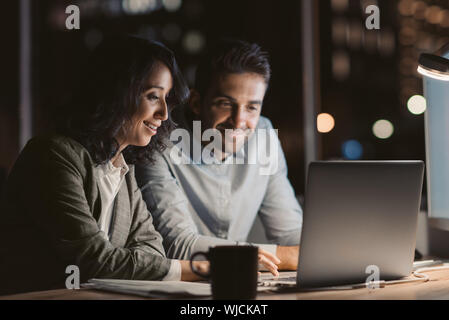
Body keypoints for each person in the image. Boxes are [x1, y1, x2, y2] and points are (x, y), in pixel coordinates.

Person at [0, 36, 208, 295]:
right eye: (153, 96)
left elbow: (152, 248)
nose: (164, 114)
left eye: (167, 98)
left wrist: (121, 263)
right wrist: (200, 268)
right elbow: (94, 259)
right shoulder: (52, 156)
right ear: (117, 92)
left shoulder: (123, 168)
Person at [135, 39, 302, 276]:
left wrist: (328, 251)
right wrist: (286, 256)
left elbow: (290, 232)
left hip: (239, 283)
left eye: (252, 108)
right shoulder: (158, 140)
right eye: (225, 104)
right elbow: (178, 245)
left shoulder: (264, 135)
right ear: (195, 102)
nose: (238, 121)